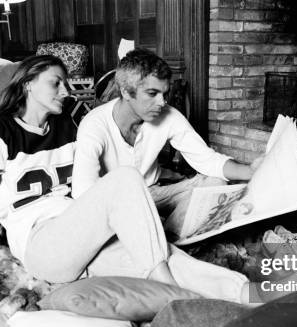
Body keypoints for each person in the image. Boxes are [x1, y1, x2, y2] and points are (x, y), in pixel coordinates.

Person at [0, 54, 252, 304]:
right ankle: (167, 291)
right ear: (28, 83)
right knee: (127, 180)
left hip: (81, 232)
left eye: (66, 83)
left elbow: (88, 189)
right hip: (42, 243)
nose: (66, 91)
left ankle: (247, 295)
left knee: (160, 255)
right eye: (56, 83)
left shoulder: (69, 125)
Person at [72, 48, 262, 235]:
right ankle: (161, 233)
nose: (162, 102)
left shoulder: (168, 115)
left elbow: (207, 160)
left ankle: (167, 235)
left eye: (165, 93)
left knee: (216, 183)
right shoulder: (94, 124)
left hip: (154, 194)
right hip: (115, 204)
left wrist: (251, 171)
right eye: (152, 94)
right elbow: (83, 192)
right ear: (126, 92)